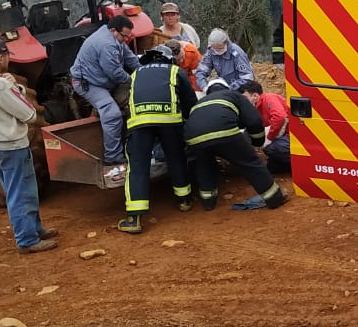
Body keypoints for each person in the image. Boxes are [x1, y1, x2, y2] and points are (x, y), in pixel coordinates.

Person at [0, 38, 58, 255]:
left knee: (20, 189)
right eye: (7, 56)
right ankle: (27, 239)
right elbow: (28, 113)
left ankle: (35, 229)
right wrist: (15, 88)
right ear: (1, 57)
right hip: (11, 145)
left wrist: (12, 86)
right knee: (21, 192)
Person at [118, 43, 198, 234]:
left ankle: (134, 219)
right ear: (169, 58)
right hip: (169, 121)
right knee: (176, 157)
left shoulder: (136, 73)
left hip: (140, 123)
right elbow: (190, 102)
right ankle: (184, 201)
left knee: (138, 166)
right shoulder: (174, 70)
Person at [183, 76, 289, 212]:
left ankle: (208, 202)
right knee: (250, 163)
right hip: (224, 131)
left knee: (204, 166)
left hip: (194, 138)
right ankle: (274, 198)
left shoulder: (200, 102)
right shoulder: (233, 96)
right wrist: (257, 142)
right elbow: (253, 120)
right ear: (227, 88)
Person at [70, 14, 140, 176]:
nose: (126, 39)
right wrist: (135, 81)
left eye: (128, 36)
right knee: (112, 114)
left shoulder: (116, 39)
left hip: (103, 79)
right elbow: (115, 73)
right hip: (88, 83)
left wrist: (143, 72)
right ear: (114, 31)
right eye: (124, 36)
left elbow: (130, 58)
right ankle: (113, 157)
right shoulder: (107, 45)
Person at [240, 80, 291, 173]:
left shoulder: (269, 98)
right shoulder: (256, 106)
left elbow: (280, 117)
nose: (243, 101)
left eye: (245, 97)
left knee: (272, 147)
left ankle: (301, 166)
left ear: (255, 96)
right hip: (285, 135)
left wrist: (269, 138)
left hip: (293, 136)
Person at [195, 28, 254, 94]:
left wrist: (230, 88)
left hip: (239, 91)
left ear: (226, 43)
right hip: (223, 88)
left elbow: (247, 78)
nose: (217, 51)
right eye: (215, 49)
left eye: (220, 48)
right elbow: (201, 72)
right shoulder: (211, 52)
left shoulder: (237, 53)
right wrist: (204, 87)